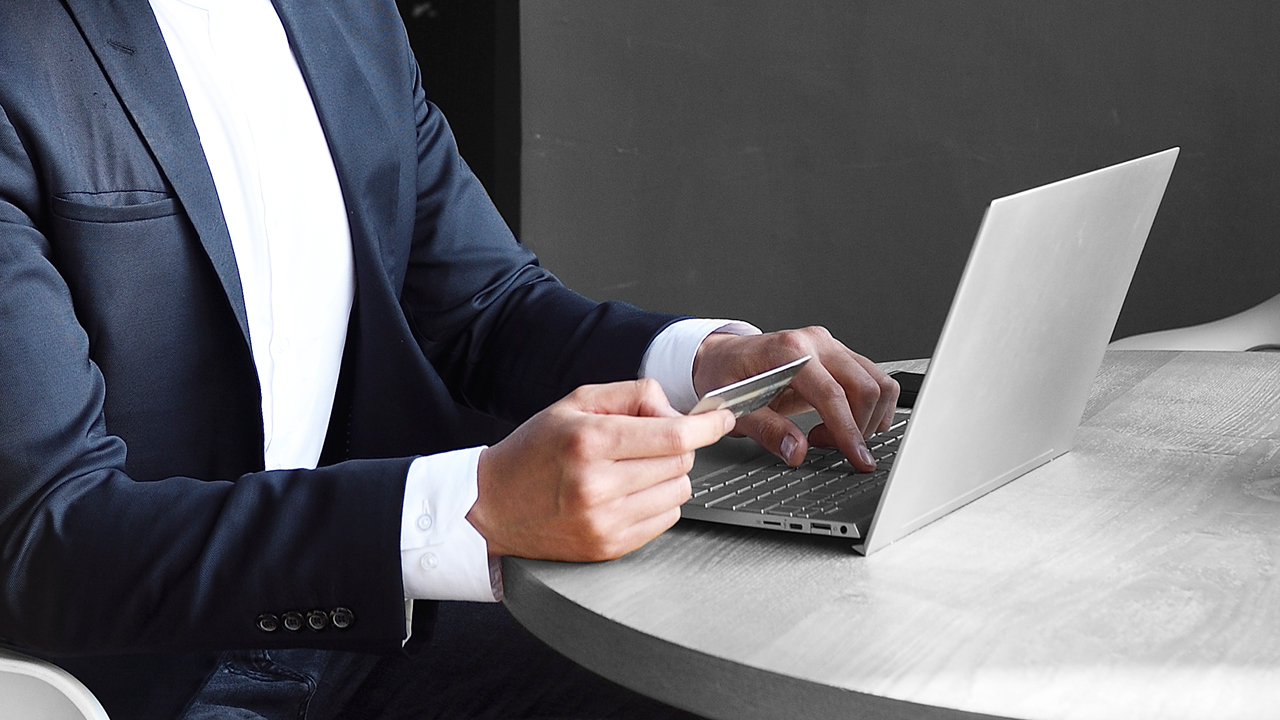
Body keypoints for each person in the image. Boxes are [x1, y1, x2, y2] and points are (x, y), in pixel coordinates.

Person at [0, 1, 898, 718]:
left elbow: (483, 308)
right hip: (131, 682)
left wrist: (704, 362)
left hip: (377, 629)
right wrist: (472, 505)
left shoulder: (346, 16)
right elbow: (48, 535)